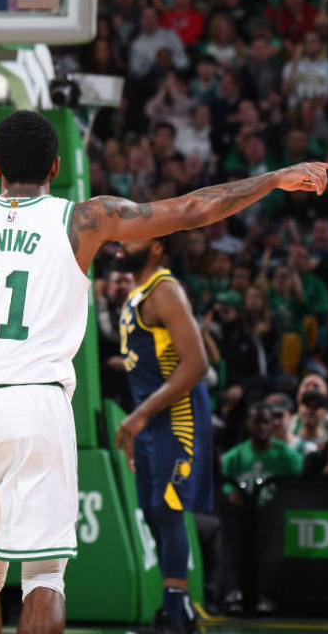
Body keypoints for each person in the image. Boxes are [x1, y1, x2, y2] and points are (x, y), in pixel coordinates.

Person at [0, 110, 328, 634]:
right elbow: (190, 209)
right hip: (35, 405)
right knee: (44, 574)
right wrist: (274, 178)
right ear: (56, 167)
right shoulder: (83, 219)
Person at [113, 234, 212, 632]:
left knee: (169, 510)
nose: (122, 239)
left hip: (178, 415)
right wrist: (140, 422)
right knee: (152, 512)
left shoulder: (165, 290)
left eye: (134, 235)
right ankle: (173, 602)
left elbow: (196, 364)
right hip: (151, 419)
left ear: (156, 247)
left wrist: (139, 415)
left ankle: (177, 610)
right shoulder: (135, 295)